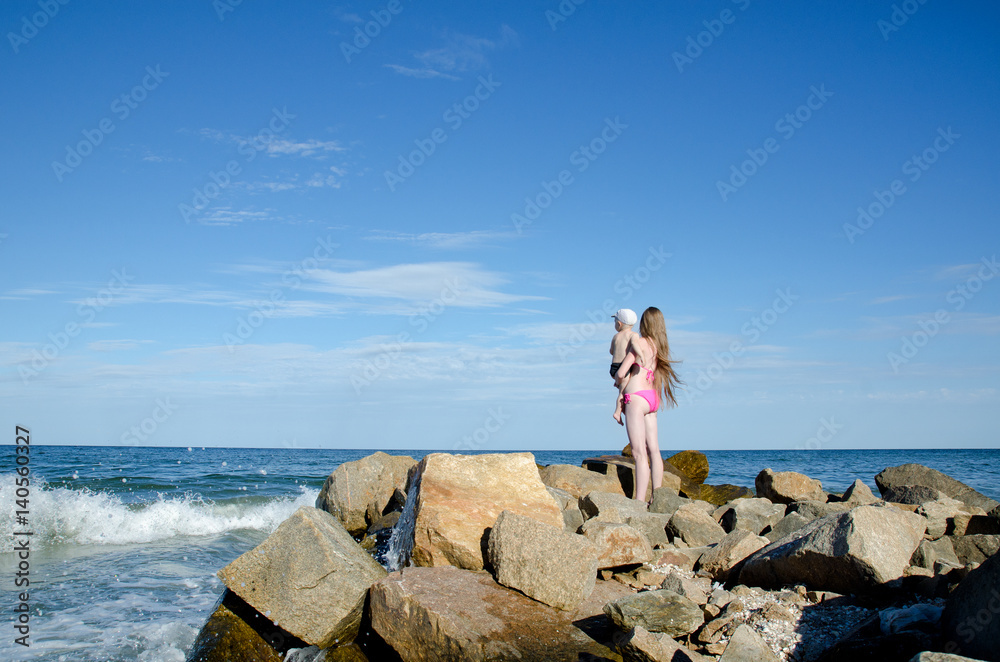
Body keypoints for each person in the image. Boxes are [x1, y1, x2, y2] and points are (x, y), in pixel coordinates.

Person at [614, 307, 682, 503]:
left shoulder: (640, 343)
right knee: (654, 450)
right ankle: (657, 497)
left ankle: (639, 501)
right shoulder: (660, 345)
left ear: (644, 323)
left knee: (639, 453)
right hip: (652, 398)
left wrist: (618, 381)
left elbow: (621, 372)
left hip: (636, 398)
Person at [609, 308, 639, 425]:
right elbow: (635, 347)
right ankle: (617, 412)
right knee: (622, 392)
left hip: (613, 367)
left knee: (622, 388)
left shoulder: (615, 337)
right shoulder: (633, 335)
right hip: (624, 368)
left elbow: (611, 351)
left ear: (619, 323)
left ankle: (623, 411)